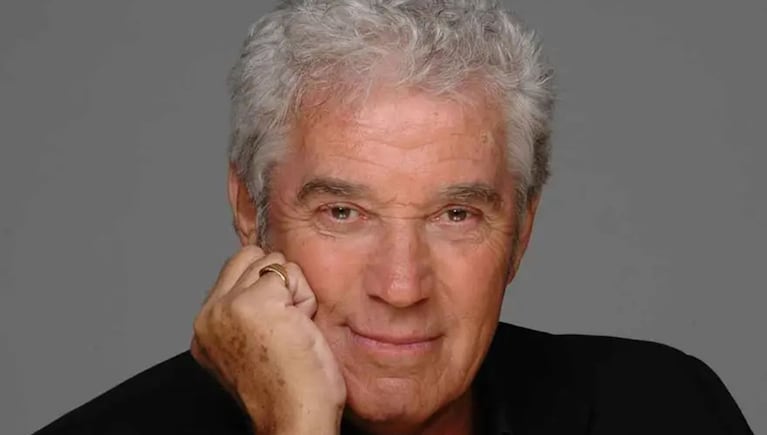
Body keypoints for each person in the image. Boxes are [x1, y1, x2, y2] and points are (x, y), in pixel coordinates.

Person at [35, 1, 752, 434]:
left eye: (456, 214)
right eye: (343, 212)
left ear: (522, 231)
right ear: (251, 211)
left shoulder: (663, 406)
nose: (402, 286)